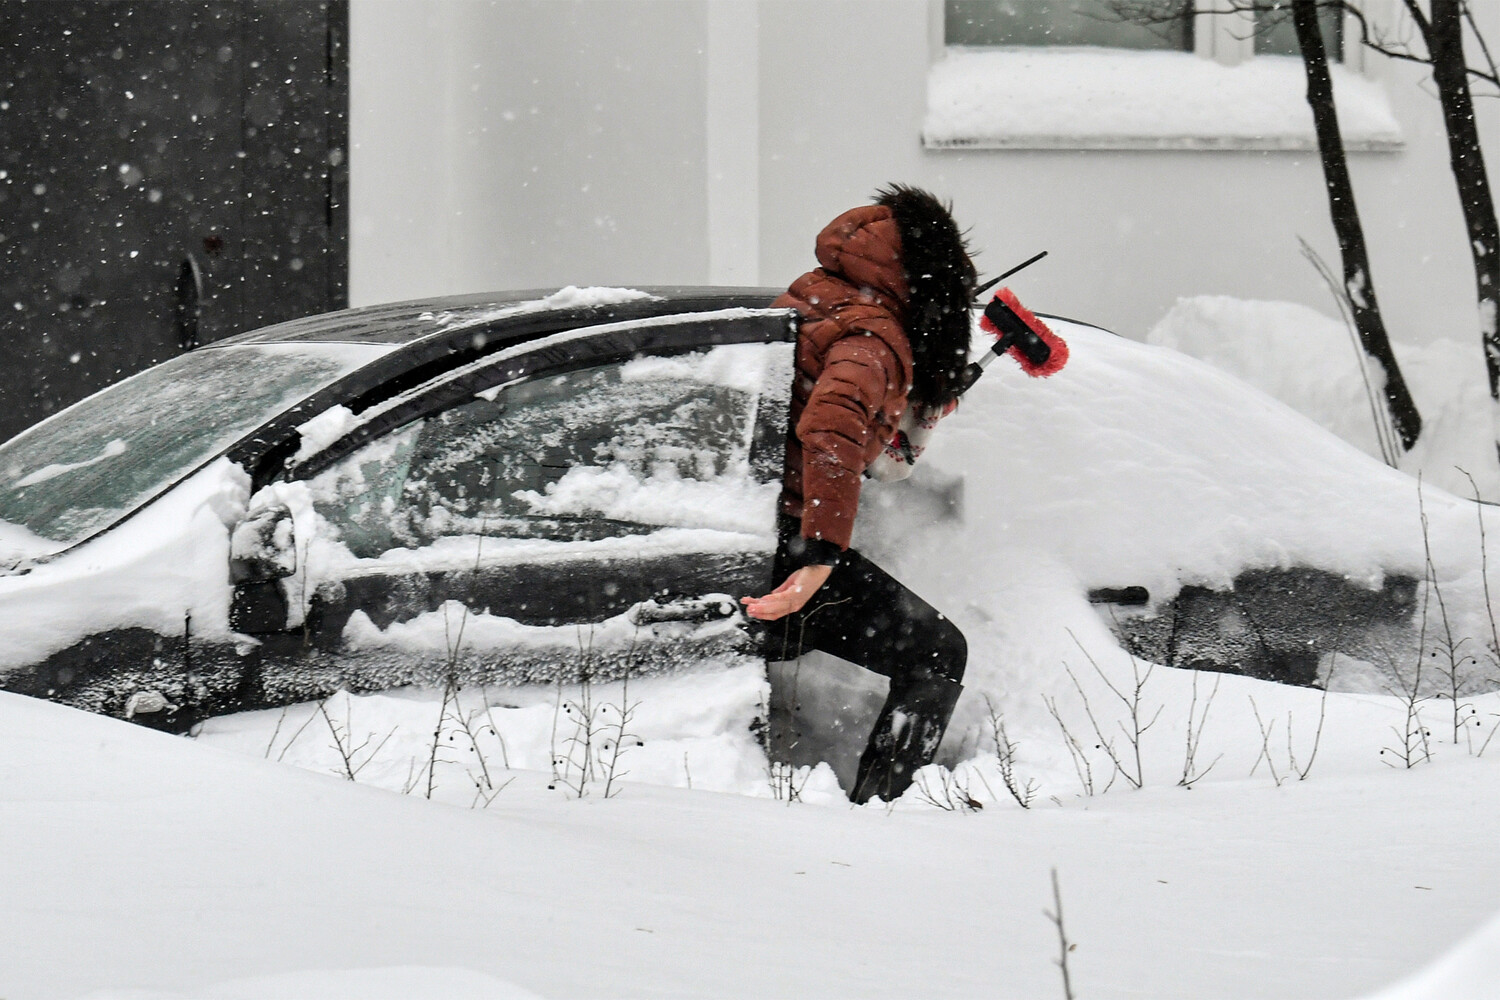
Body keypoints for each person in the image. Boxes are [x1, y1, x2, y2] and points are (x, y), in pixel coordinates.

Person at [741, 184, 976, 804]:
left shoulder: (818, 292)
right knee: (938, 652)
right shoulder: (877, 339)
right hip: (784, 552)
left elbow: (815, 403)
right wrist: (820, 554)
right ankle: (882, 810)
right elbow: (831, 426)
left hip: (736, 522)